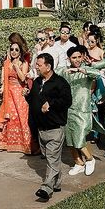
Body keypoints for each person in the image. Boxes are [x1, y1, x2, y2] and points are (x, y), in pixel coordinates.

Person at [25, 54, 72, 200]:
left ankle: (46, 188)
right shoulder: (38, 81)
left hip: (55, 128)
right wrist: (27, 95)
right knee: (49, 157)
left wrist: (51, 104)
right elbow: (34, 100)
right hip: (41, 129)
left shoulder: (60, 83)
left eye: (39, 65)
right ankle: (57, 183)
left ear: (48, 66)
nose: (36, 67)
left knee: (52, 157)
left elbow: (67, 101)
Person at [56, 46, 100, 176]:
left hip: (83, 110)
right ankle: (78, 162)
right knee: (69, 140)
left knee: (79, 138)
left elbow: (98, 74)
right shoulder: (64, 71)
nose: (77, 60)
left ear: (82, 57)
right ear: (68, 58)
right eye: (74, 57)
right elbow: (51, 73)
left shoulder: (86, 70)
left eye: (79, 57)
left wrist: (82, 70)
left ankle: (90, 159)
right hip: (68, 110)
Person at [0, 41, 35, 154]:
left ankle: (25, 145)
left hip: (19, 93)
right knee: (9, 117)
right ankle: (6, 143)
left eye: (16, 50)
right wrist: (2, 88)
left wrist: (16, 67)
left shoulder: (24, 63)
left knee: (21, 117)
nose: (14, 52)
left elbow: (23, 79)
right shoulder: (6, 63)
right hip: (9, 93)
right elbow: (4, 79)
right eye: (12, 49)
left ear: (20, 52)